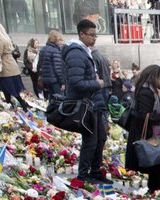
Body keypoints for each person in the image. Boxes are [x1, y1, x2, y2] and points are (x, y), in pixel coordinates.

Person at [63, 20, 107, 184]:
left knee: (100, 138)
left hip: (93, 102)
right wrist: (98, 83)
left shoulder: (84, 51)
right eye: (92, 35)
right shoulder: (76, 53)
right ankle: (83, 175)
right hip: (85, 103)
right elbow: (77, 83)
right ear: (82, 34)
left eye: (96, 35)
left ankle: (95, 170)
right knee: (91, 140)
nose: (95, 38)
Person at [123, 65, 160, 195]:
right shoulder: (146, 92)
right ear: (153, 77)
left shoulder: (148, 89)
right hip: (148, 132)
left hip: (149, 131)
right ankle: (155, 188)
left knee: (156, 161)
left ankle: (156, 187)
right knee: (155, 159)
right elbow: (145, 114)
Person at [0, 23, 27, 109]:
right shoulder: (5, 38)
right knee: (10, 89)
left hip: (6, 67)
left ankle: (21, 103)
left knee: (9, 89)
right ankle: (12, 104)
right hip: (11, 66)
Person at [37, 31, 64, 98]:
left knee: (52, 99)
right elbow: (58, 69)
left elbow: (39, 65)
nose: (62, 42)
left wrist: (41, 76)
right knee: (60, 99)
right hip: (55, 80)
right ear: (56, 40)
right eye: (60, 40)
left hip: (46, 79)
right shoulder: (55, 51)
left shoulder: (43, 49)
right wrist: (63, 82)